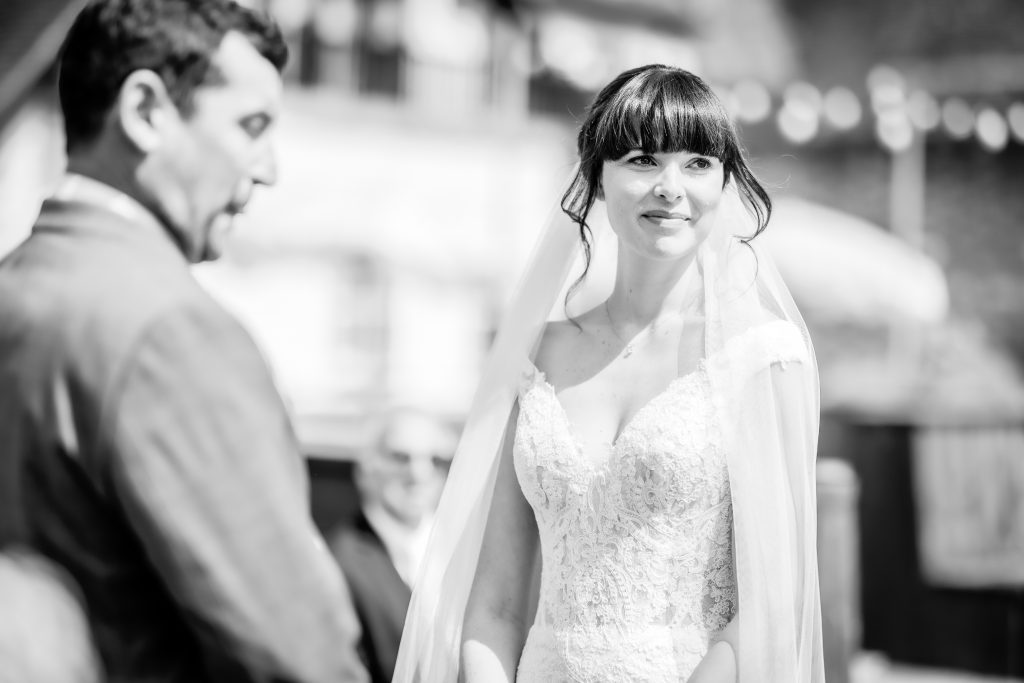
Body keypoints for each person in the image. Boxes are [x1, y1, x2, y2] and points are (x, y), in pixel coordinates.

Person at [394, 64, 825, 682]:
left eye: (698, 163)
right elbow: (493, 604)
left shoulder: (762, 358)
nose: (671, 187)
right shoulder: (534, 356)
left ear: (725, 182)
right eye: (644, 159)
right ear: (597, 177)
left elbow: (771, 604)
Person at [0, 1, 367, 681]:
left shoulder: (18, 288)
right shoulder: (172, 333)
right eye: (251, 126)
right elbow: (298, 652)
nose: (268, 169)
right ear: (146, 110)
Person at [329, 408, 458, 683]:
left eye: (435, 460)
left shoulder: (466, 551)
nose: (418, 474)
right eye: (400, 457)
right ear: (365, 469)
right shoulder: (337, 560)